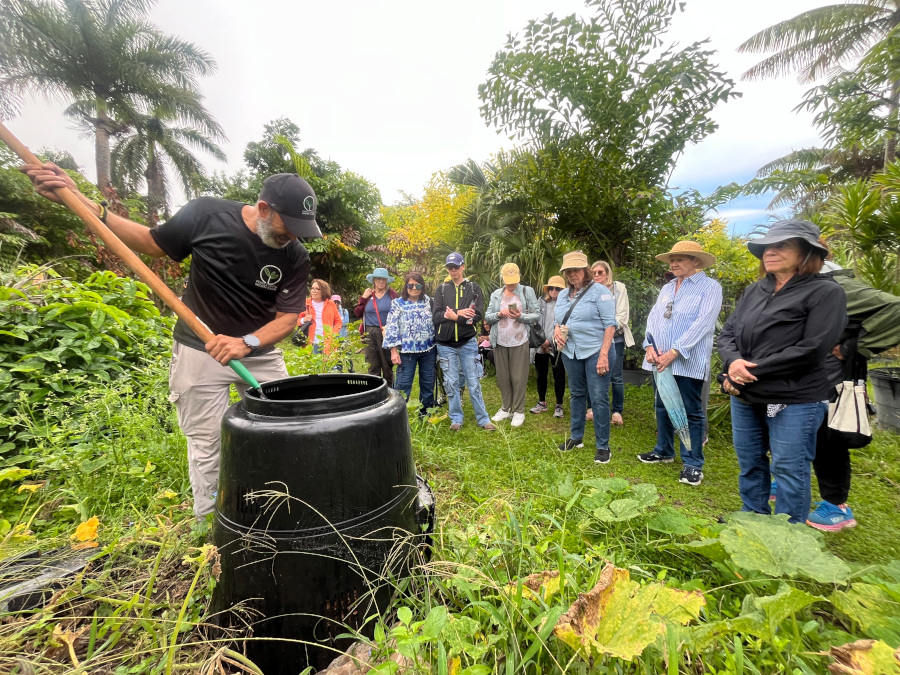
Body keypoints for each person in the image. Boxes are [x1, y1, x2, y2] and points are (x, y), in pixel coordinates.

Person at [21, 164, 318, 518]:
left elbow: (286, 319)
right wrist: (82, 202)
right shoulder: (207, 215)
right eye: (289, 227)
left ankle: (279, 507)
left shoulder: (295, 256)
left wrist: (246, 342)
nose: (293, 237)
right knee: (208, 442)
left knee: (286, 427)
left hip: (259, 353)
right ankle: (212, 523)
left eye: (300, 230)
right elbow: (151, 242)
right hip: (200, 349)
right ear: (264, 208)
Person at [717, 220, 847, 525]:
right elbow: (728, 334)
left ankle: (788, 534)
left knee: (789, 469)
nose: (770, 252)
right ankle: (753, 518)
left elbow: (813, 348)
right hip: (747, 395)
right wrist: (733, 363)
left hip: (795, 397)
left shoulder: (826, 292)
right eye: (766, 247)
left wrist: (747, 371)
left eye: (782, 245)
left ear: (807, 252)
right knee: (750, 462)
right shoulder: (755, 290)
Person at [806, 254, 900, 530]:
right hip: (807, 374)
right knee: (802, 429)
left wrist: (852, 347)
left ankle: (836, 506)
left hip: (832, 376)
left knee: (828, 435)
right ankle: (791, 481)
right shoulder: (805, 281)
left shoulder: (837, 285)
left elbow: (895, 308)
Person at [639, 241, 722, 487]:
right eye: (672, 260)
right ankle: (664, 450)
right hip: (659, 358)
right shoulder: (667, 287)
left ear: (696, 261)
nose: (674, 264)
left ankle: (693, 463)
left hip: (687, 359)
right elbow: (654, 317)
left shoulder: (710, 287)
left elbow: (704, 323)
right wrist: (649, 346)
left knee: (691, 411)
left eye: (680, 259)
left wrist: (675, 351)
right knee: (662, 405)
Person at [553, 251, 617, 463]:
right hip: (570, 352)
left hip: (596, 351)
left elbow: (610, 325)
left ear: (585, 270)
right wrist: (556, 330)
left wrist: (604, 355)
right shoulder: (563, 295)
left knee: (598, 398)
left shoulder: (600, 291)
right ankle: (576, 437)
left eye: (576, 270)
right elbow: (558, 320)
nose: (572, 274)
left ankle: (603, 446)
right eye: (568, 271)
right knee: (577, 394)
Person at [433, 253, 496, 431]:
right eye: (450, 267)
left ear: (463, 267)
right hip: (446, 345)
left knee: (474, 382)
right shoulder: (442, 289)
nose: (453, 270)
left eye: (456, 267)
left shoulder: (473, 288)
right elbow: (436, 316)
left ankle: (483, 419)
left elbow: (476, 316)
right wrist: (459, 312)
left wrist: (455, 317)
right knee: (451, 383)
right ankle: (456, 418)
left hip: (467, 342)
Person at [484, 263, 540, 427]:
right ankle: (506, 408)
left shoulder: (527, 291)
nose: (511, 284)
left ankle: (519, 410)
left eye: (514, 280)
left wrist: (520, 316)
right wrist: (499, 314)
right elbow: (488, 316)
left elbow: (536, 315)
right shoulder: (496, 294)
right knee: (503, 377)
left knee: (518, 377)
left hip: (520, 340)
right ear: (502, 278)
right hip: (500, 341)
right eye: (508, 281)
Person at [383, 272, 437, 415]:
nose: (414, 288)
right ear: (406, 286)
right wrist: (393, 351)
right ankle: (398, 415)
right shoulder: (397, 303)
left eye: (417, 285)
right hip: (406, 352)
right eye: (410, 285)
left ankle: (426, 414)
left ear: (422, 287)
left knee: (428, 384)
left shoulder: (430, 302)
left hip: (429, 350)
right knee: (403, 385)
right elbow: (392, 327)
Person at [591, 261, 634, 426]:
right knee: (592, 373)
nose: (597, 275)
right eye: (594, 272)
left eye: (600, 272)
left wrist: (606, 325)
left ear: (607, 273)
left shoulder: (619, 288)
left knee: (615, 376)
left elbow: (622, 316)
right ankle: (591, 407)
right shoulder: (589, 289)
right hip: (594, 339)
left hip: (616, 338)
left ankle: (617, 411)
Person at [354, 268, 399, 386]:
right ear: (373, 280)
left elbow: (399, 313)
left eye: (383, 279)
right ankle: (375, 391)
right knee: (373, 365)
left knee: (387, 365)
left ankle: (389, 390)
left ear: (387, 280)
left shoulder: (392, 295)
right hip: (369, 332)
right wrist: (363, 298)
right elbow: (357, 313)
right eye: (378, 279)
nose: (381, 281)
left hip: (386, 332)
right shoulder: (368, 295)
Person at [530, 275, 567, 419]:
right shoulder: (541, 301)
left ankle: (559, 405)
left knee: (559, 375)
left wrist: (550, 342)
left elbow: (566, 326)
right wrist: (542, 341)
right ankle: (542, 402)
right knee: (541, 374)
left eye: (558, 288)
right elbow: (535, 323)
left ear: (563, 290)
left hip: (558, 344)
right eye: (551, 288)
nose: (554, 290)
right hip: (541, 344)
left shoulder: (567, 304)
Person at [297, 279, 342, 354]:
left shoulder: (331, 304)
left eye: (317, 289)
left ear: (323, 291)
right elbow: (296, 321)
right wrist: (303, 320)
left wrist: (333, 334)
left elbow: (338, 322)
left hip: (327, 343)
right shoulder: (305, 303)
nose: (313, 291)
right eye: (312, 288)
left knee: (327, 361)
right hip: (310, 343)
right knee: (311, 361)